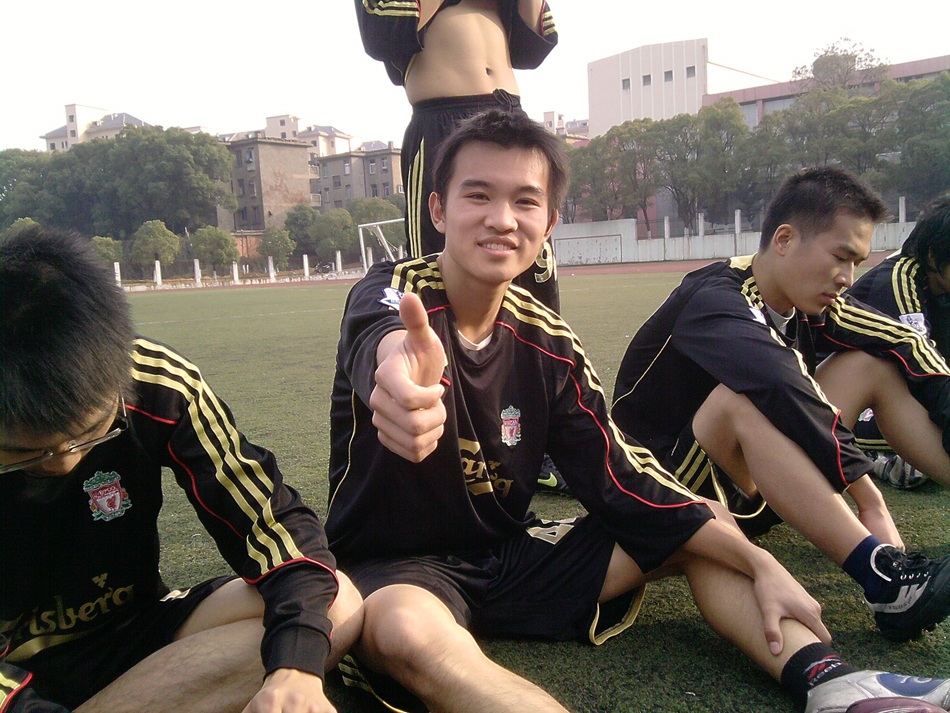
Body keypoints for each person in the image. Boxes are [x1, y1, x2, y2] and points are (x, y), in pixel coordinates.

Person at [324, 111, 950, 713]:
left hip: (508, 555)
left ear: (549, 223)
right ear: (438, 210)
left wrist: (757, 559)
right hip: (396, 569)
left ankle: (833, 683)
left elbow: (619, 474)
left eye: (525, 201)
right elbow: (384, 336)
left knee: (700, 525)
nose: (502, 219)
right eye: (478, 195)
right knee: (405, 631)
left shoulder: (549, 342)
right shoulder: (395, 293)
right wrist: (399, 377)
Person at [0, 227, 363, 712]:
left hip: (131, 635)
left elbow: (272, 524)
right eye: (27, 454)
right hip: (13, 668)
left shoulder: (157, 382)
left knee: (333, 604)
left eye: (90, 434)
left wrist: (293, 672)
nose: (66, 461)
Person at [611, 167, 950, 645]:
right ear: (785, 240)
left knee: (870, 365)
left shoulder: (810, 301)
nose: (847, 278)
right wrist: (868, 496)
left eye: (857, 263)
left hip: (758, 485)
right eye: (841, 257)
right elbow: (781, 384)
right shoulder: (715, 298)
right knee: (739, 399)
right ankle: (884, 578)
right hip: (670, 490)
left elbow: (903, 340)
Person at [354, 0, 561, 313]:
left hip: (510, 116)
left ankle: (536, 344)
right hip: (442, 120)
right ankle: (440, 345)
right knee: (439, 267)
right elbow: (384, 33)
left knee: (531, 264)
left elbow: (532, 50)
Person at [846, 196, 950, 489]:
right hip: (861, 401)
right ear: (933, 256)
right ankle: (875, 458)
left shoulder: (942, 287)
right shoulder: (899, 280)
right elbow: (918, 362)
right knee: (920, 428)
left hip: (911, 388)